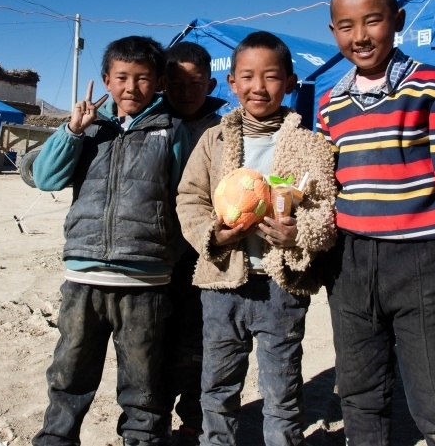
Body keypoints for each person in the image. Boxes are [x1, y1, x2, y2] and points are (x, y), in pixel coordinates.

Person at [317, 0, 435, 446]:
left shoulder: (431, 86)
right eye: (346, 26)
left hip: (423, 261)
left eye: (372, 21)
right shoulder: (330, 103)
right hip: (349, 264)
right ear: (333, 31)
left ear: (397, 20)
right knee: (359, 390)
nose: (360, 36)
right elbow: (327, 184)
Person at [176, 31, 337, 446]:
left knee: (282, 389)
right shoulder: (214, 140)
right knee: (217, 386)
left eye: (271, 76)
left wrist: (299, 232)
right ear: (232, 83)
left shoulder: (309, 145)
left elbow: (325, 207)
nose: (258, 86)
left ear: (290, 82)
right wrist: (212, 233)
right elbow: (190, 198)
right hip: (221, 284)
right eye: (247, 76)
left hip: (281, 289)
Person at [31, 36, 189, 446]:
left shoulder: (172, 131)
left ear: (159, 82)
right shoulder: (88, 131)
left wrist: (163, 256)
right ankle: (56, 439)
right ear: (106, 80)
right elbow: (46, 178)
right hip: (83, 276)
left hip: (145, 281)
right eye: (121, 77)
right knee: (69, 374)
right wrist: (72, 130)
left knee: (143, 381)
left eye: (143, 78)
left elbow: (185, 201)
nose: (131, 87)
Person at [161, 41, 227, 445]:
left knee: (199, 341)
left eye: (195, 84)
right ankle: (151, 422)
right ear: (162, 84)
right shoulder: (150, 124)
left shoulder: (225, 133)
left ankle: (193, 422)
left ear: (211, 84)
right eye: (176, 84)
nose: (186, 92)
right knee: (154, 342)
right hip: (156, 253)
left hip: (203, 254)